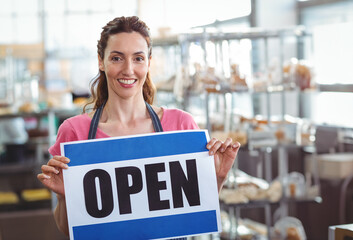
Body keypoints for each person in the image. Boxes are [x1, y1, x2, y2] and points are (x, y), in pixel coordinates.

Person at [37, 16, 240, 237]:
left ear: (148, 63)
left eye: (138, 58)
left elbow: (192, 217)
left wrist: (216, 178)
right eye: (116, 58)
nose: (128, 69)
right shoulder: (75, 132)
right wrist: (67, 197)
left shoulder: (182, 125)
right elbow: (70, 231)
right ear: (100, 61)